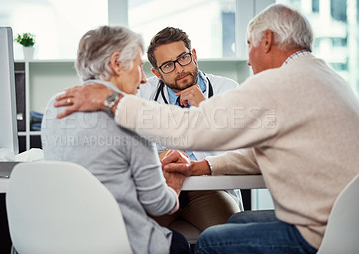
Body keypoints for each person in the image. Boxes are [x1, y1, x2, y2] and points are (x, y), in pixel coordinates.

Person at [53, 3, 359, 253]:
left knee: (213, 242)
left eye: (250, 46)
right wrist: (202, 166)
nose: (249, 61)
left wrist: (110, 99)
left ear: (266, 41)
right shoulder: (325, 77)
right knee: (236, 225)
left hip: (318, 232)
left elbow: (191, 128)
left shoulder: (277, 83)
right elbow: (259, 153)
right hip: (344, 223)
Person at [41, 26, 191, 254]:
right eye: (140, 67)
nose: (143, 80)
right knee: (180, 243)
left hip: (59, 239)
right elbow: (158, 204)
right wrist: (174, 184)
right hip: (116, 243)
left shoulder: (54, 105)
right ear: (116, 63)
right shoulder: (129, 114)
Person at [138, 26, 242, 232]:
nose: (179, 69)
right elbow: (132, 148)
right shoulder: (143, 94)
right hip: (160, 189)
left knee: (229, 236)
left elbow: (239, 152)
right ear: (157, 73)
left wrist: (206, 109)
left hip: (209, 189)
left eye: (183, 58)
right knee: (131, 235)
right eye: (168, 65)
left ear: (193, 55)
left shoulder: (227, 90)